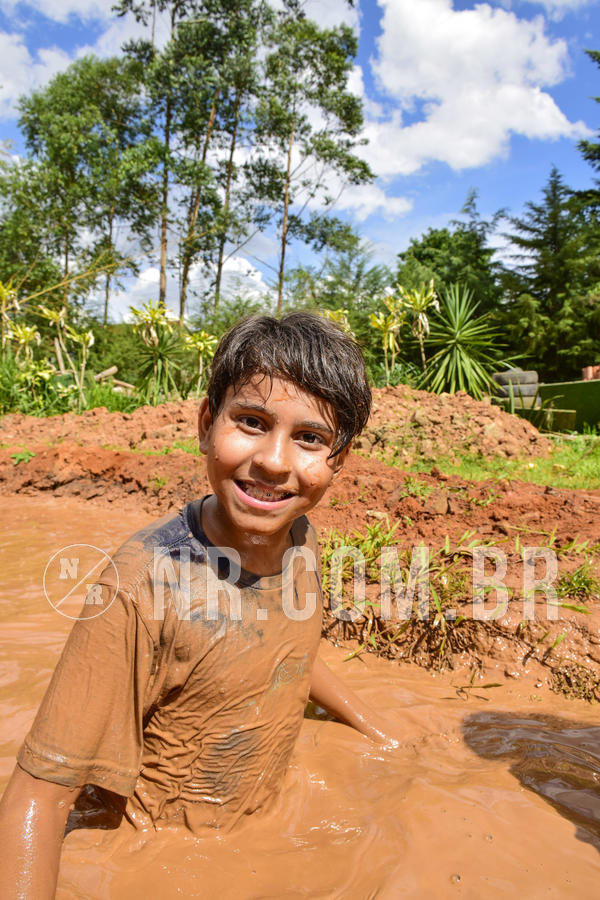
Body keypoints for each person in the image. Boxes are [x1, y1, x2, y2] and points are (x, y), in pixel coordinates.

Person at [0, 312, 400, 899]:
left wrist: (380, 730)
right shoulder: (141, 585)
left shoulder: (300, 538)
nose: (274, 461)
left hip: (259, 828)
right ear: (207, 423)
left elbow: (284, 650)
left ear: (338, 459)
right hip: (161, 854)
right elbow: (37, 796)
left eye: (310, 438)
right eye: (252, 422)